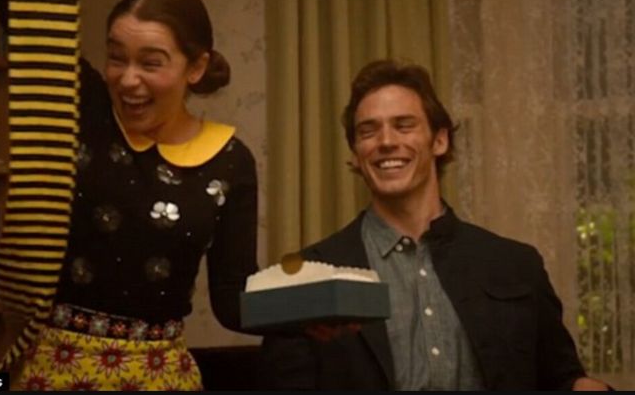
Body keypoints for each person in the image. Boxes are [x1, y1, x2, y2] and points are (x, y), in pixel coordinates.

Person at [260, 59, 610, 390]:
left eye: (404, 125)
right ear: (355, 152)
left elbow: (561, 379)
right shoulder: (305, 280)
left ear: (439, 140)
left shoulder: (516, 265)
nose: (385, 142)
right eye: (368, 131)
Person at [0, 0, 258, 390]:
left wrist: (309, 316)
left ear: (197, 66)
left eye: (151, 63)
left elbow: (232, 298)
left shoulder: (231, 161)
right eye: (117, 57)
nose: (128, 79)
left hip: (162, 378)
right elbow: (17, 5)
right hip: (54, 371)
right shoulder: (85, 107)